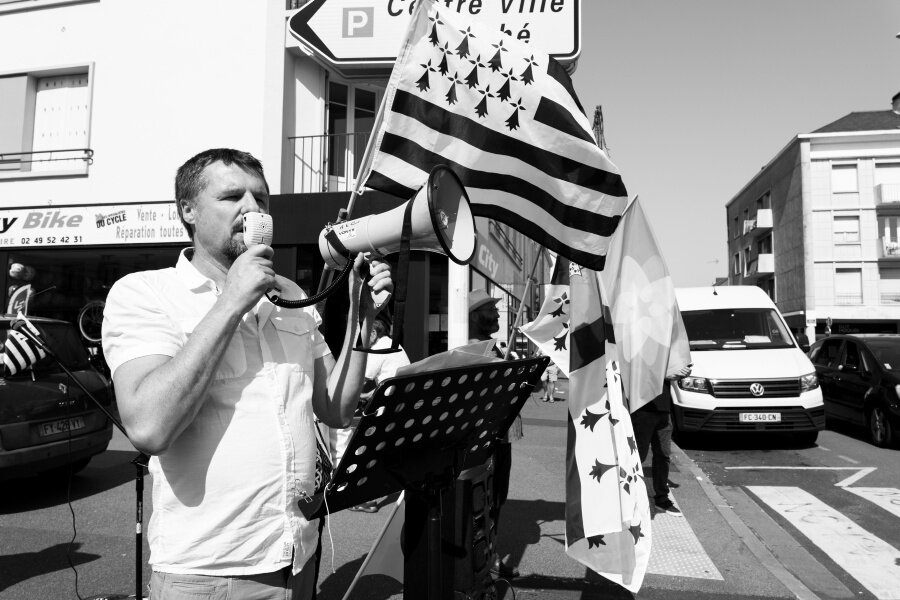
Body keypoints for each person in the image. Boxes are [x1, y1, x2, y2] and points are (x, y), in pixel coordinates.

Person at [101, 148, 393, 600]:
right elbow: (149, 427)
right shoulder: (146, 293)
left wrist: (362, 316)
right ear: (188, 210)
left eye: (261, 198)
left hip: (297, 557)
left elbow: (336, 408)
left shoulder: (290, 294)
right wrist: (232, 300)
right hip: (209, 572)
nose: (253, 210)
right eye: (233, 196)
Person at [467, 289, 521, 579]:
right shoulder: (471, 352)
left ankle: (491, 552)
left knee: (498, 498)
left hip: (504, 438)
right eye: (491, 310)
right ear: (475, 316)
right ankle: (483, 558)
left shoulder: (499, 349)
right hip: (486, 439)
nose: (498, 314)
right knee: (483, 500)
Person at [341, 316, 410, 513]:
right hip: (401, 403)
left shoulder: (379, 347)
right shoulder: (392, 344)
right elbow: (387, 378)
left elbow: (360, 380)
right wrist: (366, 395)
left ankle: (365, 499)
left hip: (390, 407)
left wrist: (342, 398)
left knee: (365, 449)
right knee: (389, 450)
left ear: (372, 333)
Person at [631, 364, 692, 517]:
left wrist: (680, 371)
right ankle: (630, 499)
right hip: (643, 407)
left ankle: (661, 498)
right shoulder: (640, 342)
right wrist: (664, 374)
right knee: (638, 456)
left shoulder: (664, 343)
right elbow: (634, 367)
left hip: (663, 408)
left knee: (663, 455)